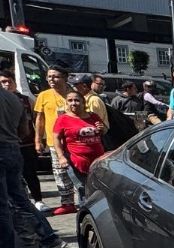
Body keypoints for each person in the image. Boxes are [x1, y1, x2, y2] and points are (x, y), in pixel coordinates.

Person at [1, 86, 67, 248]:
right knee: (19, 198)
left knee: (5, 204)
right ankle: (49, 237)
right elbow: (24, 130)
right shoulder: (13, 98)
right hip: (13, 148)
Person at [33, 65, 76, 215]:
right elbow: (40, 119)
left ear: (65, 78)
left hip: (75, 141)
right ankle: (67, 203)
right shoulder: (43, 95)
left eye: (56, 76)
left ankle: (84, 199)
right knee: (60, 173)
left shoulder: (73, 95)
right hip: (54, 142)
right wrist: (38, 140)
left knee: (79, 171)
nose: (52, 79)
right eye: (49, 76)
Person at [0, 70, 45, 211]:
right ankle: (44, 231)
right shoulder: (14, 100)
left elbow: (34, 121)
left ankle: (38, 200)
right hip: (14, 145)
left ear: (14, 82)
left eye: (9, 81)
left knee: (29, 175)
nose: (7, 84)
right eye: (3, 82)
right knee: (17, 194)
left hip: (22, 144)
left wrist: (37, 140)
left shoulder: (23, 100)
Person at [53, 91, 105, 203]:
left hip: (97, 161)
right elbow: (56, 138)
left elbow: (103, 131)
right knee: (83, 190)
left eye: (76, 100)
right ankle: (85, 215)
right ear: (66, 103)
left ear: (83, 102)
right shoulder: (63, 119)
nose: (73, 103)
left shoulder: (93, 116)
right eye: (70, 100)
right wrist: (61, 157)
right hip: (76, 161)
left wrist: (101, 128)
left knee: (98, 189)